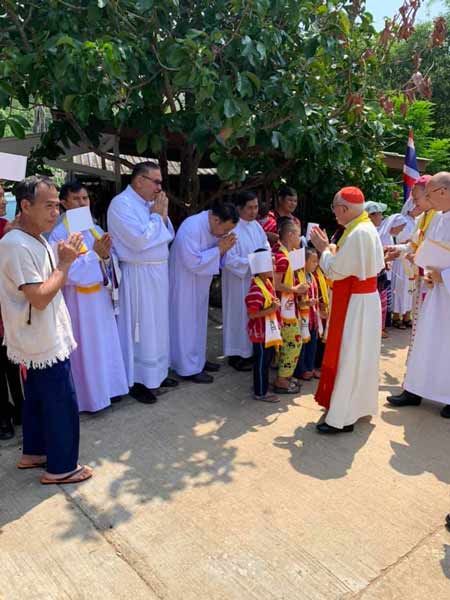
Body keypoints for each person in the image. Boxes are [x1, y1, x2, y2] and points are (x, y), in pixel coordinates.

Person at [0, 176, 92, 484]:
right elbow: (39, 297)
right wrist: (64, 264)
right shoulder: (16, 244)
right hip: (41, 338)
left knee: (38, 399)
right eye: (48, 206)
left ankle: (34, 452)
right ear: (25, 206)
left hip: (37, 336)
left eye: (57, 206)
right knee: (61, 402)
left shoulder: (30, 237)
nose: (56, 213)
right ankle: (62, 467)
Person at [310, 186, 385, 434]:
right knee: (360, 356)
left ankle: (342, 417)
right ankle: (355, 407)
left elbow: (335, 271)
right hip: (364, 300)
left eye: (335, 209)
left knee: (350, 356)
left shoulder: (358, 233)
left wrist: (323, 249)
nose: (334, 214)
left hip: (356, 304)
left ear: (343, 208)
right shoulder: (364, 227)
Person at [49, 181, 128, 413]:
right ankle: (90, 399)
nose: (82, 203)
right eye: (76, 199)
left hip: (100, 302)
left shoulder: (96, 230)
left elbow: (111, 261)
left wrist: (106, 258)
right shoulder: (59, 235)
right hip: (78, 305)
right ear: (64, 203)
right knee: (85, 349)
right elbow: (66, 273)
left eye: (85, 198)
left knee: (105, 344)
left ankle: (110, 389)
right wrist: (96, 256)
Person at [108, 162, 177, 405]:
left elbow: (168, 235)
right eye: (156, 182)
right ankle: (138, 379)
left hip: (157, 272)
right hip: (138, 275)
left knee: (158, 325)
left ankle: (157, 374)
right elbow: (138, 241)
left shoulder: (149, 204)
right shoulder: (121, 204)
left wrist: (160, 216)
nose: (160, 188)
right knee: (141, 327)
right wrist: (158, 217)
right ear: (139, 181)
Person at [388, 172, 450, 419]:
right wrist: (430, 270)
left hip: (446, 289)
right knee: (425, 340)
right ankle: (414, 390)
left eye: (429, 195)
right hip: (435, 291)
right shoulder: (438, 218)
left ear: (443, 191)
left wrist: (444, 276)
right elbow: (425, 247)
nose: (426, 200)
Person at [169, 202, 239, 383]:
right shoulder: (191, 228)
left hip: (200, 283)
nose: (225, 233)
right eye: (225, 229)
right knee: (185, 325)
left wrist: (223, 250)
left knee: (199, 324)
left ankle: (198, 360)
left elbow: (216, 256)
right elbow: (192, 262)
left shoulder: (213, 227)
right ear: (215, 219)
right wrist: (220, 249)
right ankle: (187, 368)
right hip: (184, 283)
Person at [222, 191, 269, 372]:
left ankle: (251, 352)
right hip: (238, 281)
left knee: (253, 313)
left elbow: (265, 246)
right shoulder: (232, 229)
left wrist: (265, 261)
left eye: (256, 207)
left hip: (256, 280)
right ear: (239, 208)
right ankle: (236, 355)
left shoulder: (256, 226)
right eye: (249, 208)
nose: (253, 211)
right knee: (237, 315)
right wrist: (253, 262)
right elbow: (228, 259)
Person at [273, 220, 308, 394]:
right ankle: (281, 379)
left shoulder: (285, 254)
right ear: (290, 235)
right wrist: (295, 289)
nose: (300, 239)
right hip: (283, 309)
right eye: (298, 235)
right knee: (293, 342)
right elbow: (275, 284)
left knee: (288, 343)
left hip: (288, 305)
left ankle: (285, 375)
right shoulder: (282, 258)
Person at [0, 182, 24, 439]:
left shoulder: (6, 225)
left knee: (13, 362)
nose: (3, 200)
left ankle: (20, 409)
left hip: (7, 307)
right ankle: (3, 417)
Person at [245, 249, 282, 403]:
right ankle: (260, 392)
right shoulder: (256, 289)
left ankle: (261, 385)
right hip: (260, 333)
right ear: (260, 267)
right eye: (271, 264)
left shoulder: (266, 283)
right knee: (261, 362)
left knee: (266, 361)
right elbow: (252, 314)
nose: (274, 266)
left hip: (268, 332)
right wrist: (271, 309)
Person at [294, 247, 322, 381]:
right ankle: (302, 370)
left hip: (313, 317)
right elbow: (294, 301)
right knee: (303, 345)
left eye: (317, 262)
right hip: (302, 317)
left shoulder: (312, 277)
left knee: (312, 344)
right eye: (313, 261)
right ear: (304, 262)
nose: (316, 264)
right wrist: (306, 303)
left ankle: (310, 367)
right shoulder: (298, 278)